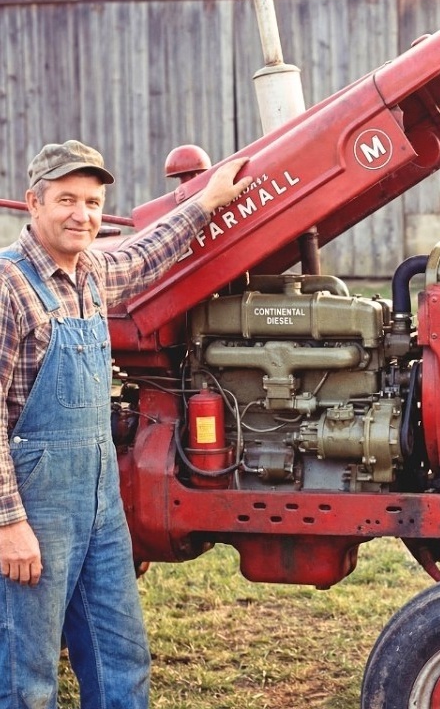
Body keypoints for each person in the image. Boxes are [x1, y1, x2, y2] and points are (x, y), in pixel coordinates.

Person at [0, 140, 252, 707]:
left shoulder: (91, 274)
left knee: (121, 660)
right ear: (32, 203)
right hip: (34, 508)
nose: (82, 214)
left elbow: (145, 254)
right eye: (66, 199)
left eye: (92, 202)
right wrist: (8, 524)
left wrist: (205, 201)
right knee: (26, 672)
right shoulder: (9, 286)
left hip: (100, 505)